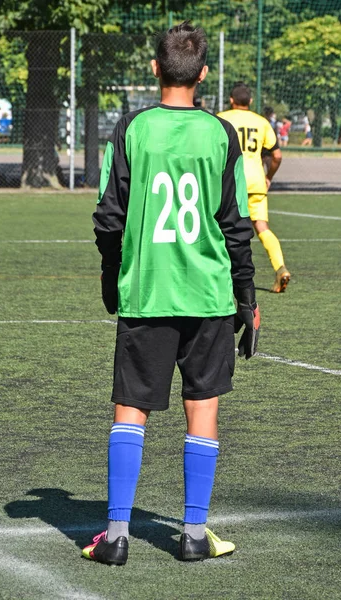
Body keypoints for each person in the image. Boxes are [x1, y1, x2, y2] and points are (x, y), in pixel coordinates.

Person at [82, 22, 259, 566]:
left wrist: (113, 277)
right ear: (204, 74)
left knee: (130, 408)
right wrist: (247, 297)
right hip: (209, 296)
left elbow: (109, 218)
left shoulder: (131, 129)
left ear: (155, 68)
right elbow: (235, 224)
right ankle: (192, 534)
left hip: (149, 292)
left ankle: (115, 537)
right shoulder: (219, 133)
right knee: (202, 407)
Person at [218, 82, 290, 293]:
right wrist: (268, 177)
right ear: (250, 101)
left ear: (231, 100)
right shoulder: (261, 122)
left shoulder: (222, 118)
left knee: (222, 229)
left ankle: (223, 277)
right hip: (256, 180)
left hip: (231, 181)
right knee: (262, 228)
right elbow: (276, 155)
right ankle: (280, 268)